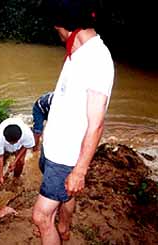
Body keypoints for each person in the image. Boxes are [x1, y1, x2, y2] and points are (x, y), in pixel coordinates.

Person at [32, 0, 115, 244]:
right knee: (65, 195)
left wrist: (79, 170)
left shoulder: (97, 59)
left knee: (40, 217)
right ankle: (65, 227)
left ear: (65, 27)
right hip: (54, 148)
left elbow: (96, 123)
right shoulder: (76, 52)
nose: (55, 32)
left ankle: (60, 227)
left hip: (65, 158)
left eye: (56, 28)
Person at [0, 117, 35, 185]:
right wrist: (1, 176)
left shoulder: (27, 134)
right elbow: (0, 156)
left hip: (20, 145)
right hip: (3, 138)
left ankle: (16, 179)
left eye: (14, 142)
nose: (12, 144)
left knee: (21, 162)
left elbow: (26, 146)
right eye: (10, 143)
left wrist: (15, 161)